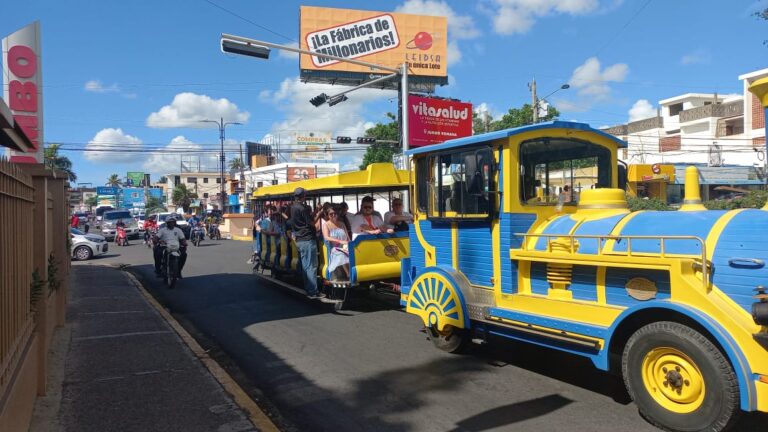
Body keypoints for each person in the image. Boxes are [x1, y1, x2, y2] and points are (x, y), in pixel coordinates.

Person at [289, 187, 324, 299]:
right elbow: (312, 223)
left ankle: (309, 289)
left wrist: (316, 211)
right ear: (303, 196)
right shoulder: (302, 208)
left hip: (300, 239)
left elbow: (305, 219)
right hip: (307, 239)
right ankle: (313, 291)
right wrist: (320, 213)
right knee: (311, 266)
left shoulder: (293, 207)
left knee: (306, 266)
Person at [322, 204, 350, 280]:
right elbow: (326, 237)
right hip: (333, 249)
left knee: (352, 252)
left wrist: (350, 244)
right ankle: (349, 274)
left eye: (335, 213)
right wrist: (340, 241)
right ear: (328, 215)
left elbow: (347, 237)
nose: (333, 215)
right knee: (341, 254)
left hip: (344, 247)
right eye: (331, 214)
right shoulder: (326, 225)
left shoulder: (342, 224)